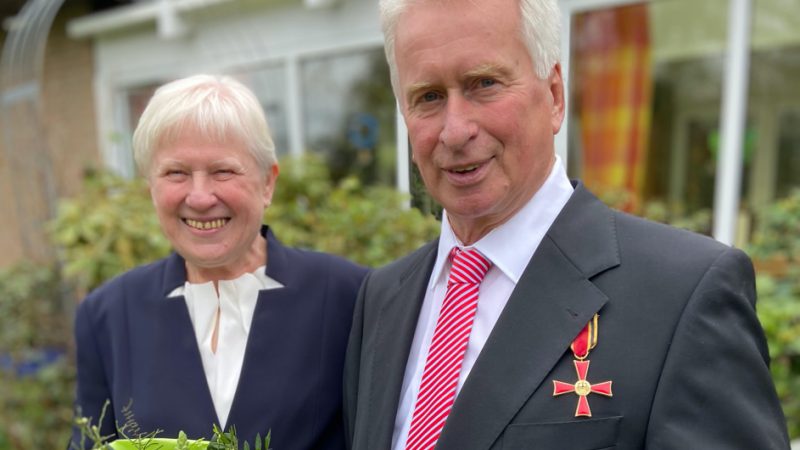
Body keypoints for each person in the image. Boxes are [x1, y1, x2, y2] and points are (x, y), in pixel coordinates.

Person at [343, 0, 790, 448]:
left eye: (484, 84)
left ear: (554, 95)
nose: (455, 131)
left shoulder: (683, 295)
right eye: (429, 97)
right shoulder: (383, 299)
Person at [71, 74, 368, 449]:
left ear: (267, 183)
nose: (199, 197)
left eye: (222, 171)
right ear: (151, 187)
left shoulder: (350, 295)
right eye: (176, 173)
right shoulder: (107, 315)